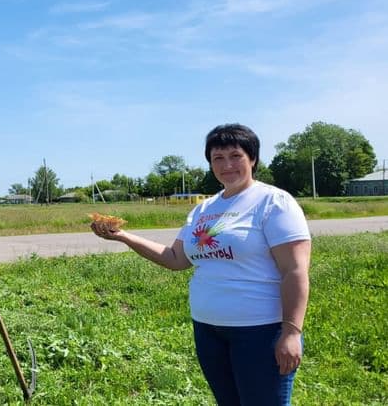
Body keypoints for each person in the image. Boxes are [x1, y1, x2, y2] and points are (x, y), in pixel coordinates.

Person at [90, 123, 311, 406]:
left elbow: (295, 269)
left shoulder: (273, 202)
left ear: (252, 159)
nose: (227, 165)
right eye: (218, 158)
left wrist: (292, 332)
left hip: (259, 331)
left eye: (235, 156)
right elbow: (175, 258)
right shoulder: (204, 209)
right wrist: (123, 237)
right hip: (209, 330)